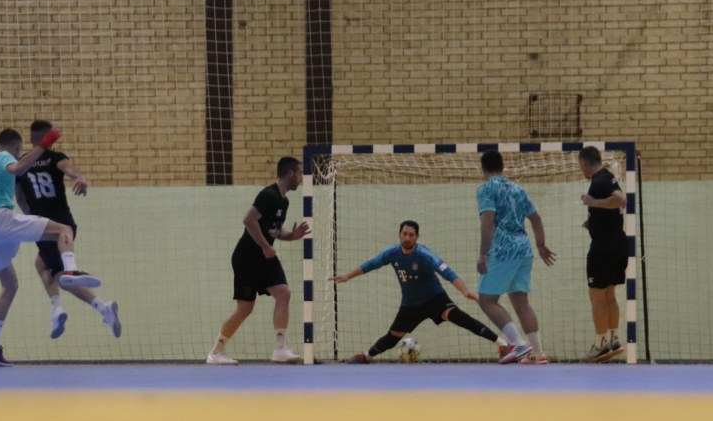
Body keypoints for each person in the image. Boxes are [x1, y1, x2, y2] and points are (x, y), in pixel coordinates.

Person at [0, 127, 101, 367]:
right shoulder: (4, 157)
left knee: (10, 285)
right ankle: (70, 270)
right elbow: (19, 168)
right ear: (16, 147)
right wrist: (45, 142)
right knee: (63, 230)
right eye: (20, 150)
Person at [330, 220, 514, 364]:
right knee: (392, 338)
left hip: (435, 299)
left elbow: (448, 273)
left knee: (460, 318)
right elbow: (370, 264)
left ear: (417, 237)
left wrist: (465, 291)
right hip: (410, 305)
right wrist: (347, 276)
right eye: (404, 234)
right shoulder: (392, 253)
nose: (407, 237)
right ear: (399, 235)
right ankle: (366, 356)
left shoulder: (425, 255)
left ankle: (503, 345)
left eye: (411, 235)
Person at [14, 120, 120, 340]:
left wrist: (30, 217)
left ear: (31, 139)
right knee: (42, 264)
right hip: (65, 224)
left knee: (60, 275)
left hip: (46, 228)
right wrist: (79, 176)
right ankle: (96, 308)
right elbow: (67, 167)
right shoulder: (55, 157)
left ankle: (69, 306)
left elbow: (20, 197)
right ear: (48, 140)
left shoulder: (22, 164)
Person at [207, 156, 311, 365]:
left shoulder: (284, 201)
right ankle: (216, 353)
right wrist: (265, 246)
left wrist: (292, 235)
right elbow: (248, 219)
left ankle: (280, 350)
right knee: (245, 308)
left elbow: (274, 230)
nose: (301, 178)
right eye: (300, 173)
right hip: (247, 257)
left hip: (265, 258)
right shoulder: (268, 195)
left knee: (284, 293)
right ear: (290, 173)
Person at [475, 149, 556, 364]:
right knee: (521, 302)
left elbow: (488, 220)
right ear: (503, 167)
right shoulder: (518, 189)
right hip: (524, 250)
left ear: (483, 169)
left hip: (503, 250)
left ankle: (519, 344)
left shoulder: (486, 189)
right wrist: (541, 245)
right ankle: (538, 353)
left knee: (486, 300)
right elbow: (536, 219)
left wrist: (482, 253)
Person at [578, 146, 627, 362]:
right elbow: (613, 208)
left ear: (585, 162)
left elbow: (620, 199)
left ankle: (600, 344)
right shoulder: (608, 177)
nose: (581, 170)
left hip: (603, 248)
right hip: (617, 244)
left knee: (597, 296)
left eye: (581, 166)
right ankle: (614, 340)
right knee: (608, 294)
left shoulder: (599, 181)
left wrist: (593, 202)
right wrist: (594, 221)